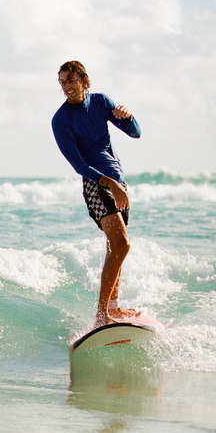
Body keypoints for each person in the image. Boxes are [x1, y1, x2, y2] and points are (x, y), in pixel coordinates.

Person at [51, 60, 141, 327]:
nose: (66, 86)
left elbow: (135, 133)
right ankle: (101, 315)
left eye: (71, 80)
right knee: (122, 244)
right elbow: (78, 164)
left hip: (119, 180)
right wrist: (109, 184)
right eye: (62, 81)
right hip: (96, 184)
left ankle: (114, 307)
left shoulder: (101, 102)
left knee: (115, 247)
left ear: (84, 81)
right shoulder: (61, 120)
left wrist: (128, 116)